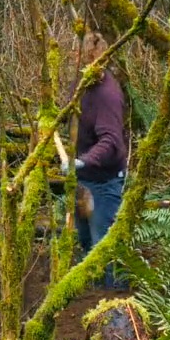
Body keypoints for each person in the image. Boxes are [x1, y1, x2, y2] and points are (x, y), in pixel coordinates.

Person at [68, 32, 130, 288]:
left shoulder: (108, 95)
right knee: (84, 240)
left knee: (103, 248)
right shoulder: (79, 86)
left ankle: (115, 305)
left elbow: (111, 141)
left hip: (104, 182)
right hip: (83, 180)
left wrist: (84, 161)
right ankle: (92, 296)